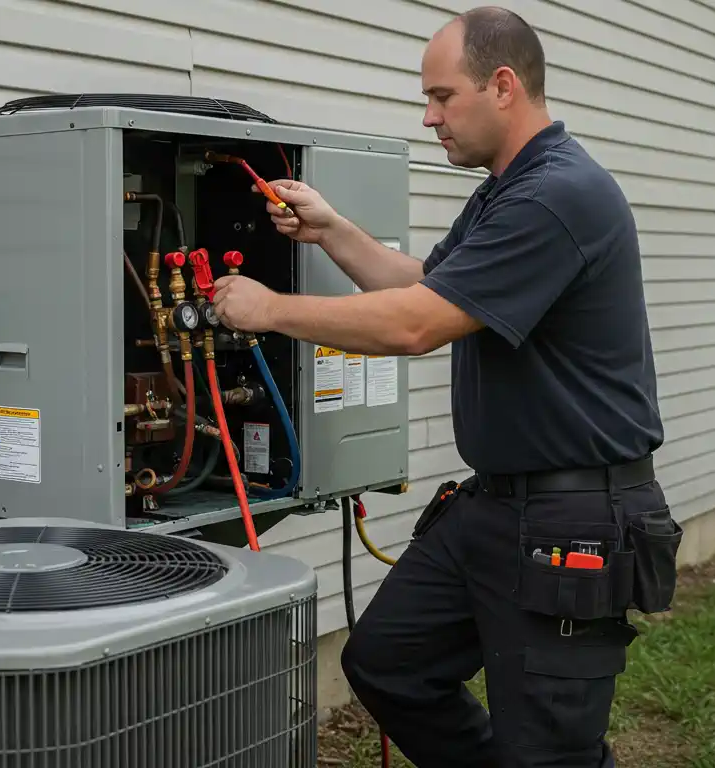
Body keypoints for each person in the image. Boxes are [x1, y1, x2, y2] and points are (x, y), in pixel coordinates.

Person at [212, 6, 683, 767]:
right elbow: (428, 283)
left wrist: (268, 310)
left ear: (502, 86)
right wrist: (332, 229)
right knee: (388, 663)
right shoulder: (507, 187)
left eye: (441, 97)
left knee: (552, 748)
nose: (429, 118)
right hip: (494, 506)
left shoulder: (557, 196)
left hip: (573, 517)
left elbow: (415, 325)